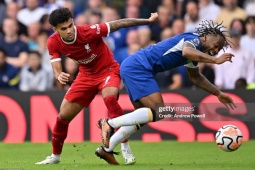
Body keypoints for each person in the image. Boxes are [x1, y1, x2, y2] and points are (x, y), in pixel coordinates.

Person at [96, 21, 237, 165]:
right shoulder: (193, 39)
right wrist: (215, 60)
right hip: (139, 67)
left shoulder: (193, 53)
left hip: (134, 66)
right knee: (160, 111)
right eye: (216, 44)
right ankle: (109, 123)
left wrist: (218, 93)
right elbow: (187, 51)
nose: (216, 50)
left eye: (218, 49)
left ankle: (107, 149)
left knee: (143, 117)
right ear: (206, 37)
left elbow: (195, 77)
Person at [35, 8, 158, 165]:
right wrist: (59, 75)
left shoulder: (87, 31)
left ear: (73, 21)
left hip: (108, 70)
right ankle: (55, 156)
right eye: (63, 29)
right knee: (63, 116)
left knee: (110, 99)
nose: (69, 31)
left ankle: (125, 147)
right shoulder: (53, 41)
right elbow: (56, 66)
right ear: (55, 30)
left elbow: (119, 24)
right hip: (85, 75)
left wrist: (146, 21)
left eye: (70, 25)